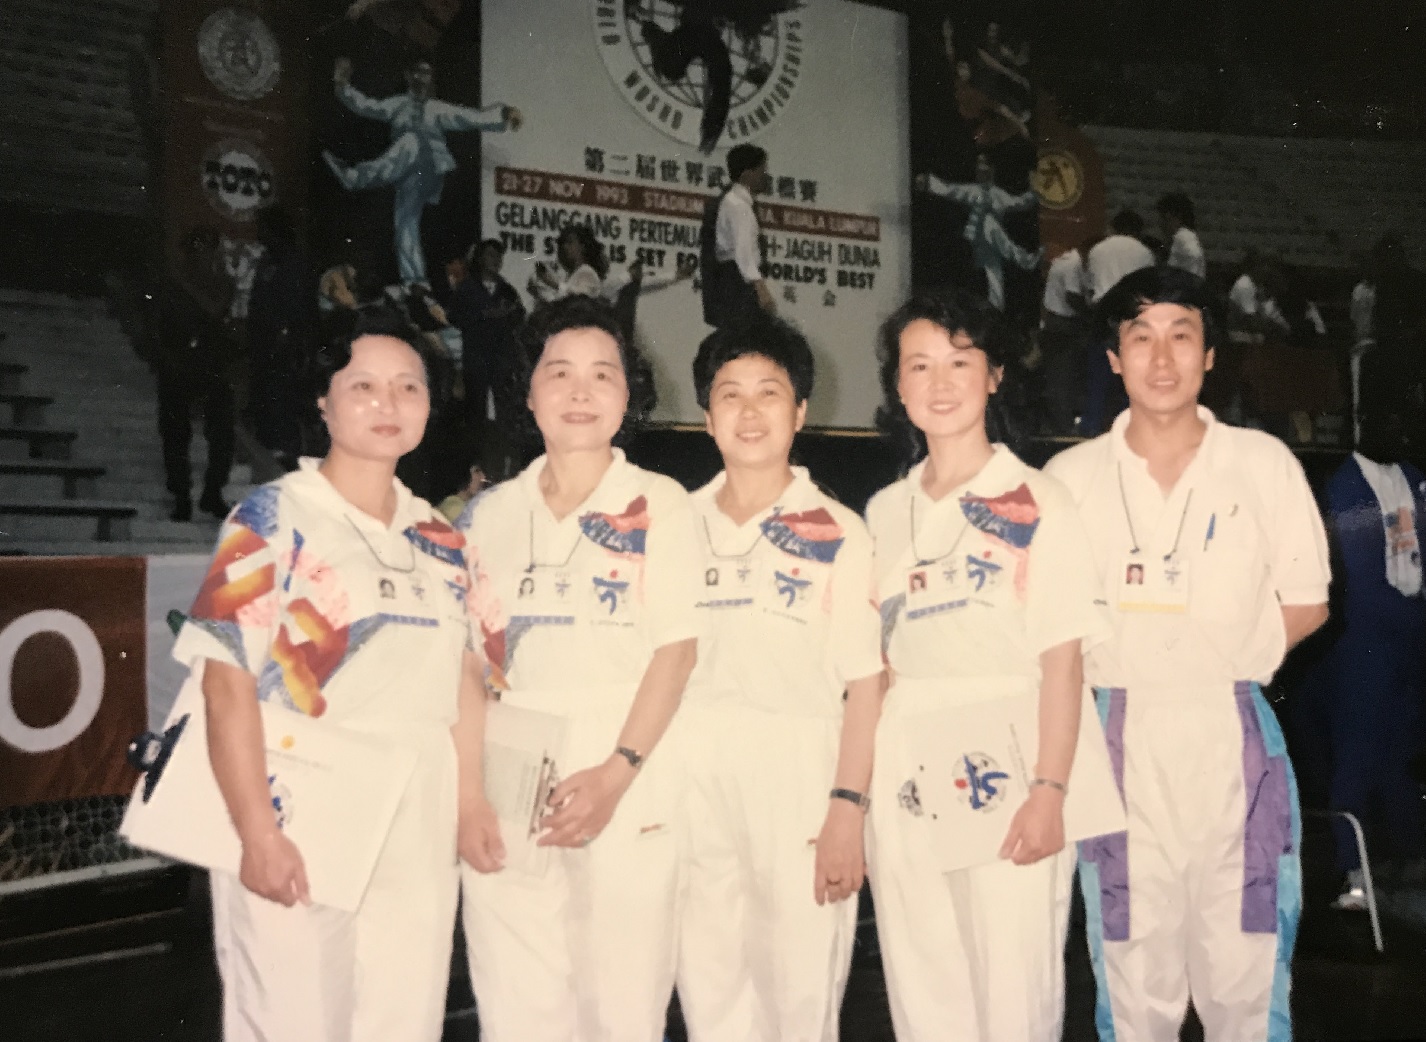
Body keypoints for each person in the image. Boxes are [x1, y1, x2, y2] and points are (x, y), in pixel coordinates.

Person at [170, 308, 485, 1041]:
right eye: (364, 384)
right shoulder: (272, 516)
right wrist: (257, 831)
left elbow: (465, 683)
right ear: (324, 399)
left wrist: (468, 803)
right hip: (301, 813)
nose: (388, 403)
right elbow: (225, 681)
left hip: (416, 825)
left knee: (403, 1021)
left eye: (409, 387)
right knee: (294, 1020)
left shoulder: (443, 539)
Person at [1044, 265, 1330, 1042]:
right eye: (1140, 338)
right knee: (1134, 989)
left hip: (1231, 736)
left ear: (1210, 356)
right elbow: (1049, 628)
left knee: (1247, 979)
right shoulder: (1067, 480)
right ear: (1114, 357)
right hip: (1116, 742)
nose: (1161, 357)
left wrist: (1213, 659)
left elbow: (1307, 601)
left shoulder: (1263, 463)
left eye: (1181, 336)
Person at [455, 295, 702, 1041]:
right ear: (528, 394)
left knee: (622, 1008)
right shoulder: (486, 515)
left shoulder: (662, 504)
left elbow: (677, 649)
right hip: (509, 770)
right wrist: (469, 796)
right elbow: (467, 665)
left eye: (603, 374)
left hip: (630, 765)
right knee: (517, 1003)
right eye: (558, 373)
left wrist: (617, 772)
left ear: (628, 395)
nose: (580, 391)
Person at [866, 289, 1110, 1042]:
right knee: (922, 983)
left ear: (995, 375)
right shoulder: (881, 511)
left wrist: (1049, 791)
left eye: (960, 361)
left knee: (1013, 990)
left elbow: (1063, 660)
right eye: (920, 365)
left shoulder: (1040, 499)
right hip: (905, 763)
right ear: (899, 386)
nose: (940, 382)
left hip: (1009, 759)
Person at [676, 318, 884, 1041]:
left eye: (771, 393)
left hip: (798, 781)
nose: (751, 410)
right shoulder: (676, 525)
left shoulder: (839, 530)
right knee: (710, 997)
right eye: (730, 395)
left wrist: (846, 811)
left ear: (801, 412)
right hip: (692, 782)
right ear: (706, 417)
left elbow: (866, 683)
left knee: (797, 1003)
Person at [1316, 403, 1426, 908]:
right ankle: (1352, 874)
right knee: (1358, 756)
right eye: (1392, 419)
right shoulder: (1347, 489)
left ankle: (1406, 861)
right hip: (1366, 643)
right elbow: (1362, 582)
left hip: (1408, 640)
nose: (1401, 429)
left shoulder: (1412, 479)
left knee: (1404, 755)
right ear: (1365, 422)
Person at [323, 57, 523, 287]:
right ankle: (414, 281)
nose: (421, 78)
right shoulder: (397, 104)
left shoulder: (437, 109)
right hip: (408, 172)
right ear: (408, 76)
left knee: (410, 140)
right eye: (417, 73)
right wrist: (342, 86)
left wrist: (504, 114)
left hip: (430, 167)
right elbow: (368, 106)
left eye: (426, 73)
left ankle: (356, 177)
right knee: (406, 222)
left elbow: (470, 117)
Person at [157, 226, 240, 522]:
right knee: (176, 436)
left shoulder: (221, 283)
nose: (205, 255)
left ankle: (212, 493)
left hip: (212, 365)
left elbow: (219, 311)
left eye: (208, 248)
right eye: (199, 248)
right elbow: (161, 327)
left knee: (222, 436)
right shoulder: (172, 285)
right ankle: (181, 496)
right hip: (179, 365)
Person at [914, 154, 1040, 311]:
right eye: (979, 170)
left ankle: (995, 311)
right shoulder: (973, 191)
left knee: (995, 276)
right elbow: (950, 190)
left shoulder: (998, 194)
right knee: (989, 223)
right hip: (978, 238)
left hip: (991, 246)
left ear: (992, 172)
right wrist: (928, 182)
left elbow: (1018, 203)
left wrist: (1035, 192)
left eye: (985, 170)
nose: (981, 173)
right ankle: (1023, 259)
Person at [1081, 211, 1155, 434]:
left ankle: (1090, 427)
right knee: (1130, 375)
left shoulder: (1098, 250)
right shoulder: (1145, 253)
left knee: (1098, 374)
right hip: (1131, 314)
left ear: (1113, 226)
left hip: (1103, 311)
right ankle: (1128, 427)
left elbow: (1089, 287)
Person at [446, 239, 526, 437]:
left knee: (504, 405)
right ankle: (476, 451)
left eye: (499, 256)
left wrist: (508, 313)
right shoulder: (468, 287)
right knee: (476, 407)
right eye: (491, 255)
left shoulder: (506, 289)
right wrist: (482, 315)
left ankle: (503, 450)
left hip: (501, 355)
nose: (496, 260)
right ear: (481, 258)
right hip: (476, 355)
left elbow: (520, 314)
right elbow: (454, 316)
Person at [701, 143, 776, 328]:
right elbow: (743, 253)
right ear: (747, 175)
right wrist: (761, 289)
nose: (765, 176)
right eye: (761, 171)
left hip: (733, 281)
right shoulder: (738, 206)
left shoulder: (734, 202)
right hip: (737, 284)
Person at [1039, 242, 1090, 434]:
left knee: (1059, 375)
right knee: (1063, 376)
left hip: (1055, 323)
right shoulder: (1073, 264)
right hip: (1063, 325)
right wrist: (1091, 317)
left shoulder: (1065, 260)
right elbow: (1072, 297)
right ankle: (1064, 426)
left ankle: (1061, 424)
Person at [1158, 192, 1206, 279]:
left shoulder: (1183, 236)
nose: (1162, 224)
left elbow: (1194, 255)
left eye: (1165, 219)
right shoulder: (1184, 236)